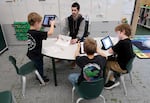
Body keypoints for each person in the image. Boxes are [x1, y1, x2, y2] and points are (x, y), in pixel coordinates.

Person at [27, 12, 55, 83]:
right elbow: (50, 33)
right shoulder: (37, 33)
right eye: (40, 24)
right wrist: (52, 24)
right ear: (36, 23)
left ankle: (38, 76)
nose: (41, 25)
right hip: (37, 55)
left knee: (37, 66)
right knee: (40, 66)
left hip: (31, 53)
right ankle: (41, 79)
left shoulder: (29, 31)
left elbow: (38, 35)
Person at [104, 24, 135, 89]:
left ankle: (111, 81)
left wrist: (118, 41)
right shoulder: (128, 41)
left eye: (117, 33)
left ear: (123, 32)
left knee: (106, 63)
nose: (117, 35)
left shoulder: (122, 42)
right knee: (111, 58)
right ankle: (115, 75)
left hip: (121, 66)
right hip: (127, 65)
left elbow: (110, 51)